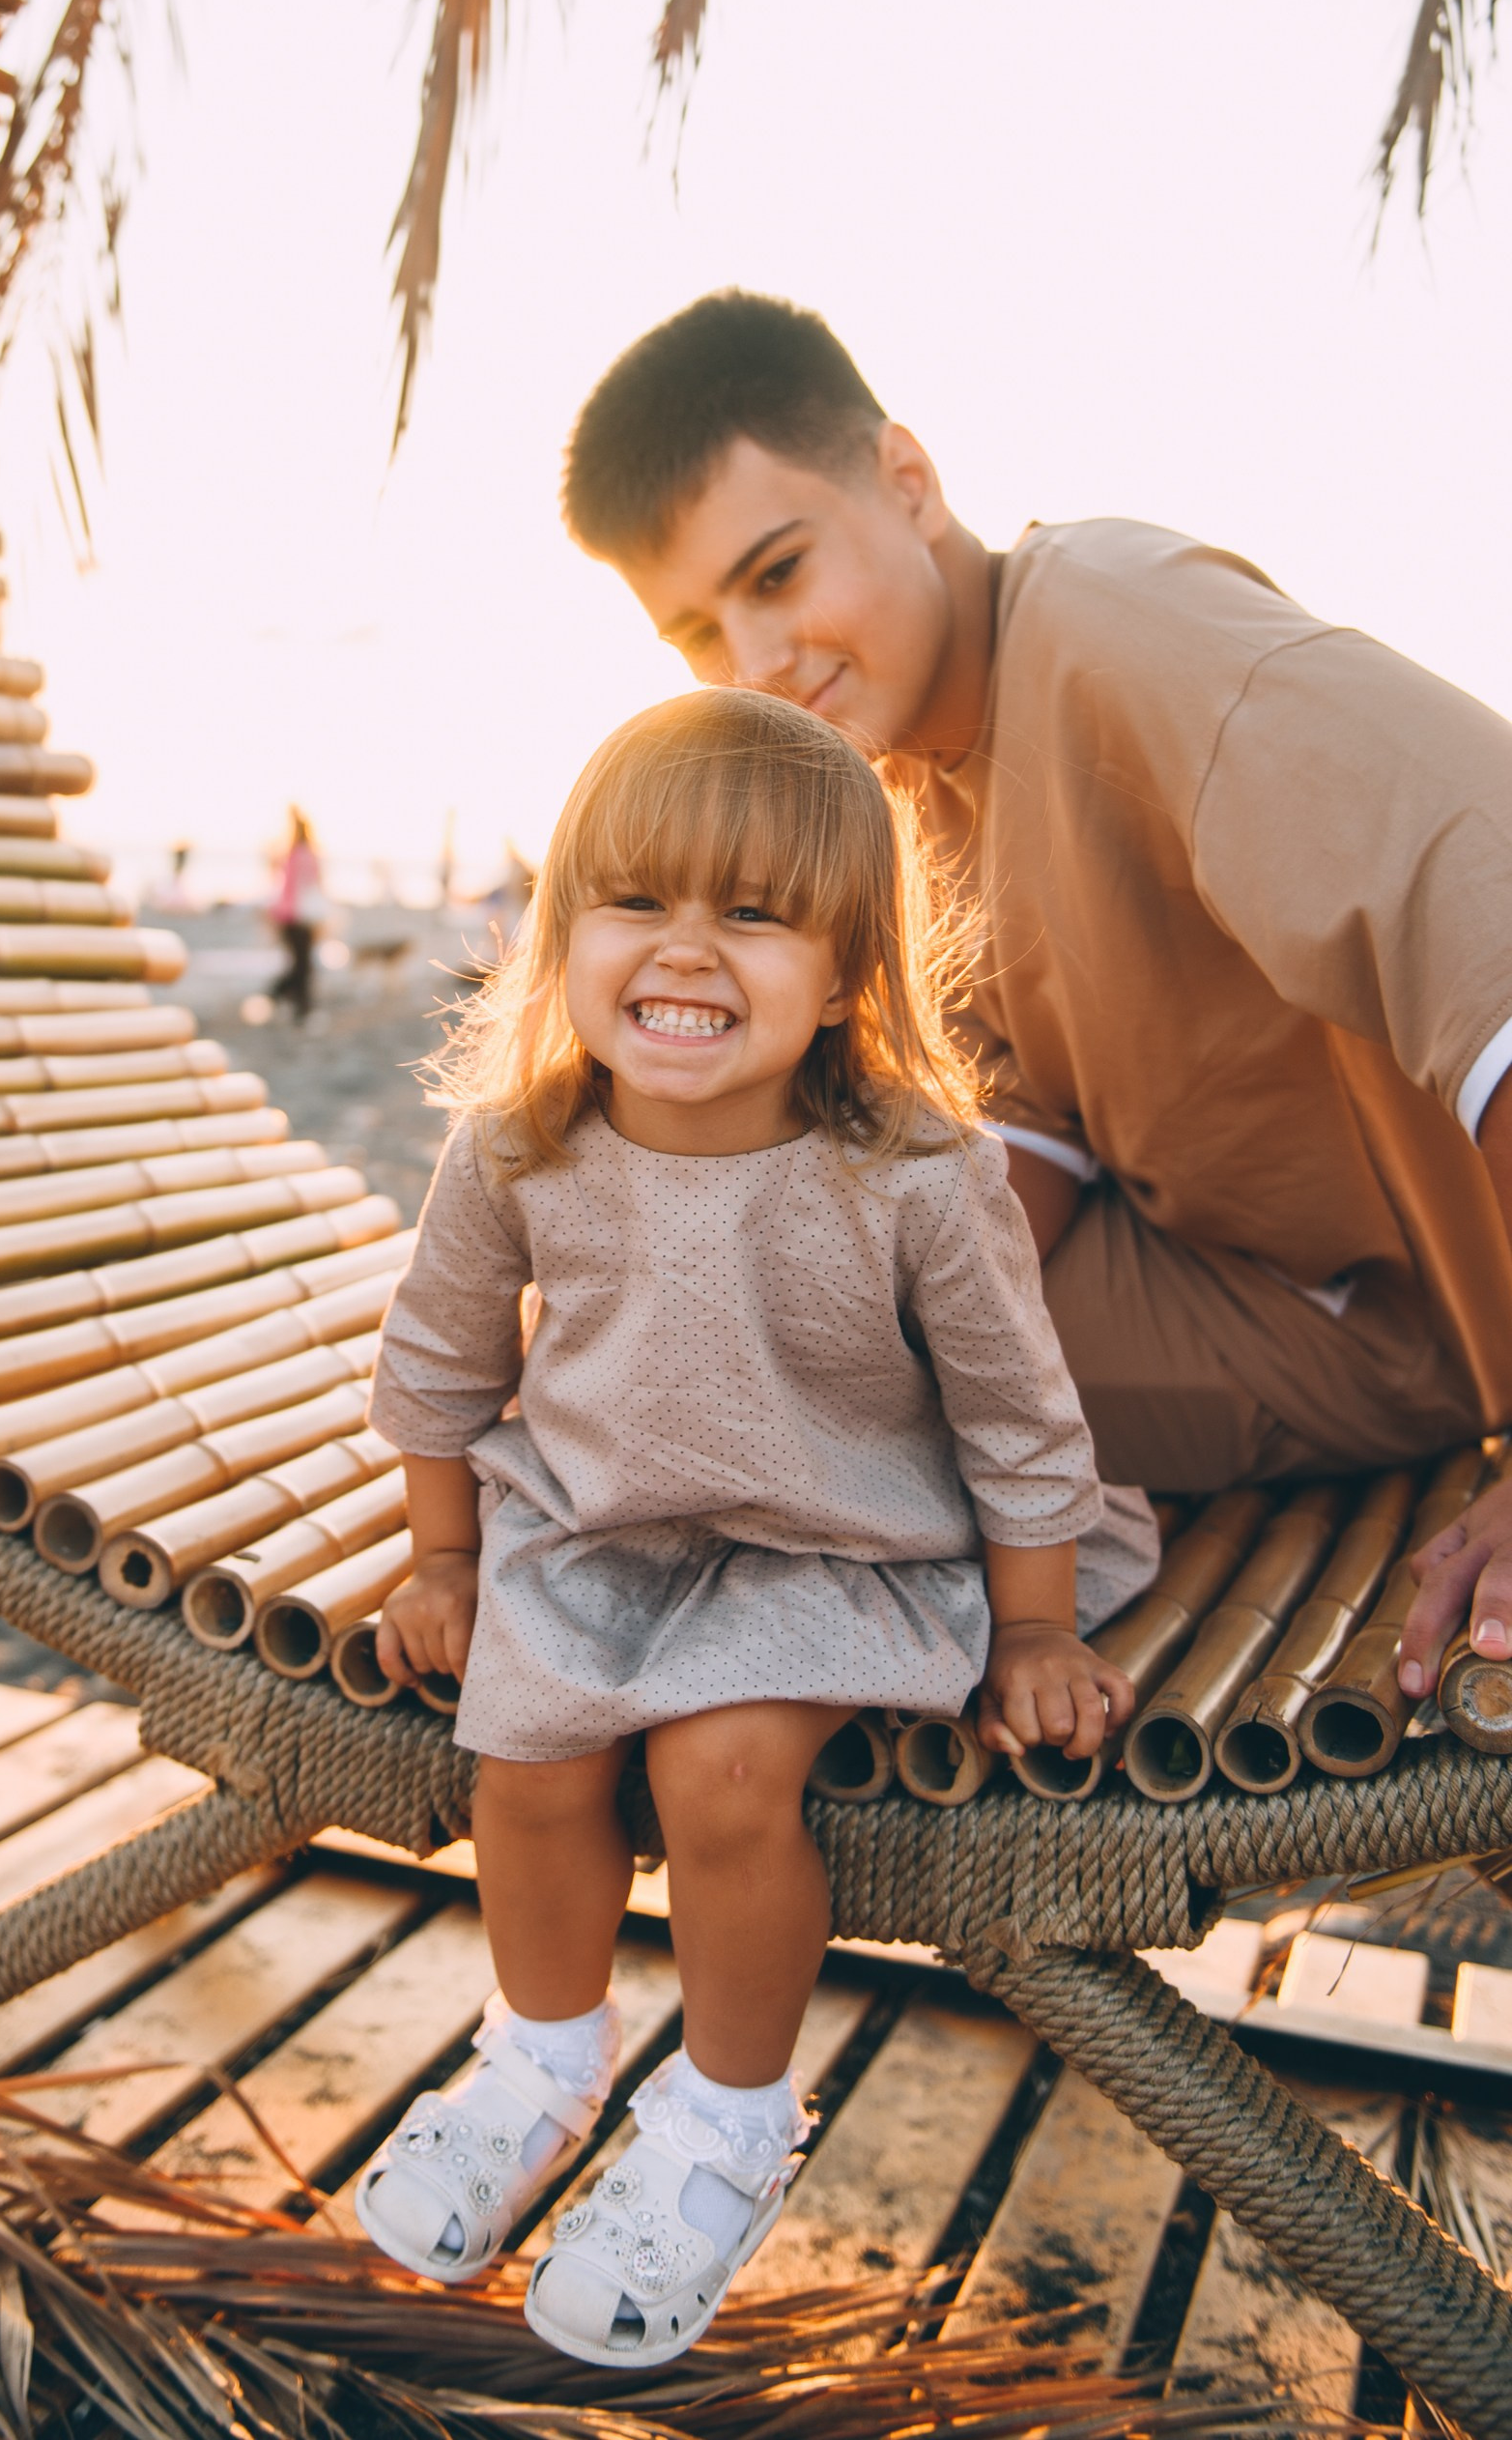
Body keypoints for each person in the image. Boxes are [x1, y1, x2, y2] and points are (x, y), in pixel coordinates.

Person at [355, 689, 1157, 2363]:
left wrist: (1031, 1626)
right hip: (603, 1526)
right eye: (636, 899)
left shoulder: (916, 1169)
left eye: (756, 912)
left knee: (722, 1766)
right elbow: (433, 1367)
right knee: (530, 1749)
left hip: (848, 1541)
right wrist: (442, 1559)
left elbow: (1017, 1417)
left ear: (849, 969)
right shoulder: (518, 1145)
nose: (687, 950)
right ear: (563, 927)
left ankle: (726, 2120)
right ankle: (539, 2061)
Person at [556, 293, 1512, 1697]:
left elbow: (1481, 898)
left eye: (775, 573)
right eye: (698, 633)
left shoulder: (1127, 630)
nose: (751, 665)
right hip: (1282, 1311)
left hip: (1441, 1293)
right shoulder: (894, 796)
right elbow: (1003, 1167)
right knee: (741, 1356)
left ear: (907, 480)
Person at [266, 807, 325, 1022]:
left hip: (292, 916)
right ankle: (289, 1004)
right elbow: (314, 885)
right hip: (300, 916)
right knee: (303, 965)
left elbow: (288, 888)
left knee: (301, 965)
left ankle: (283, 1001)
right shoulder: (308, 855)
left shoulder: (294, 855)